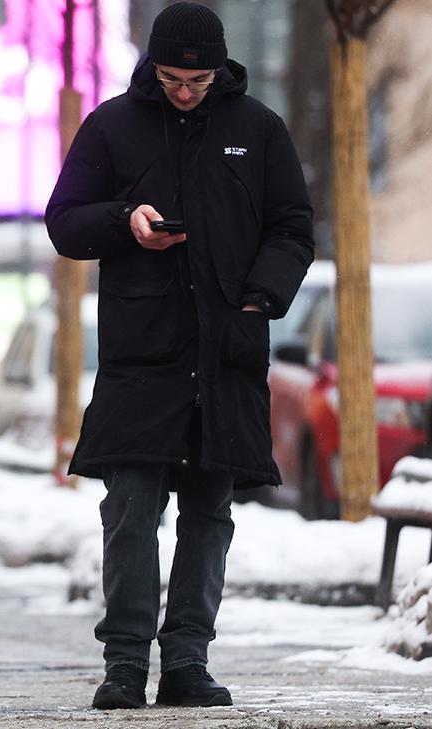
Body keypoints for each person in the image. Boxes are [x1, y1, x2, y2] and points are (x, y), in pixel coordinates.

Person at [44, 2, 314, 710]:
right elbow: (64, 220)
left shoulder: (256, 129)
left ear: (219, 70)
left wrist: (258, 299)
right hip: (141, 352)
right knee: (129, 506)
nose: (184, 90)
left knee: (207, 509)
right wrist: (123, 220)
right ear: (152, 67)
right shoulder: (111, 125)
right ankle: (124, 663)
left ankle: (188, 658)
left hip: (225, 350)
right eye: (170, 78)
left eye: (196, 79)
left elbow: (291, 227)